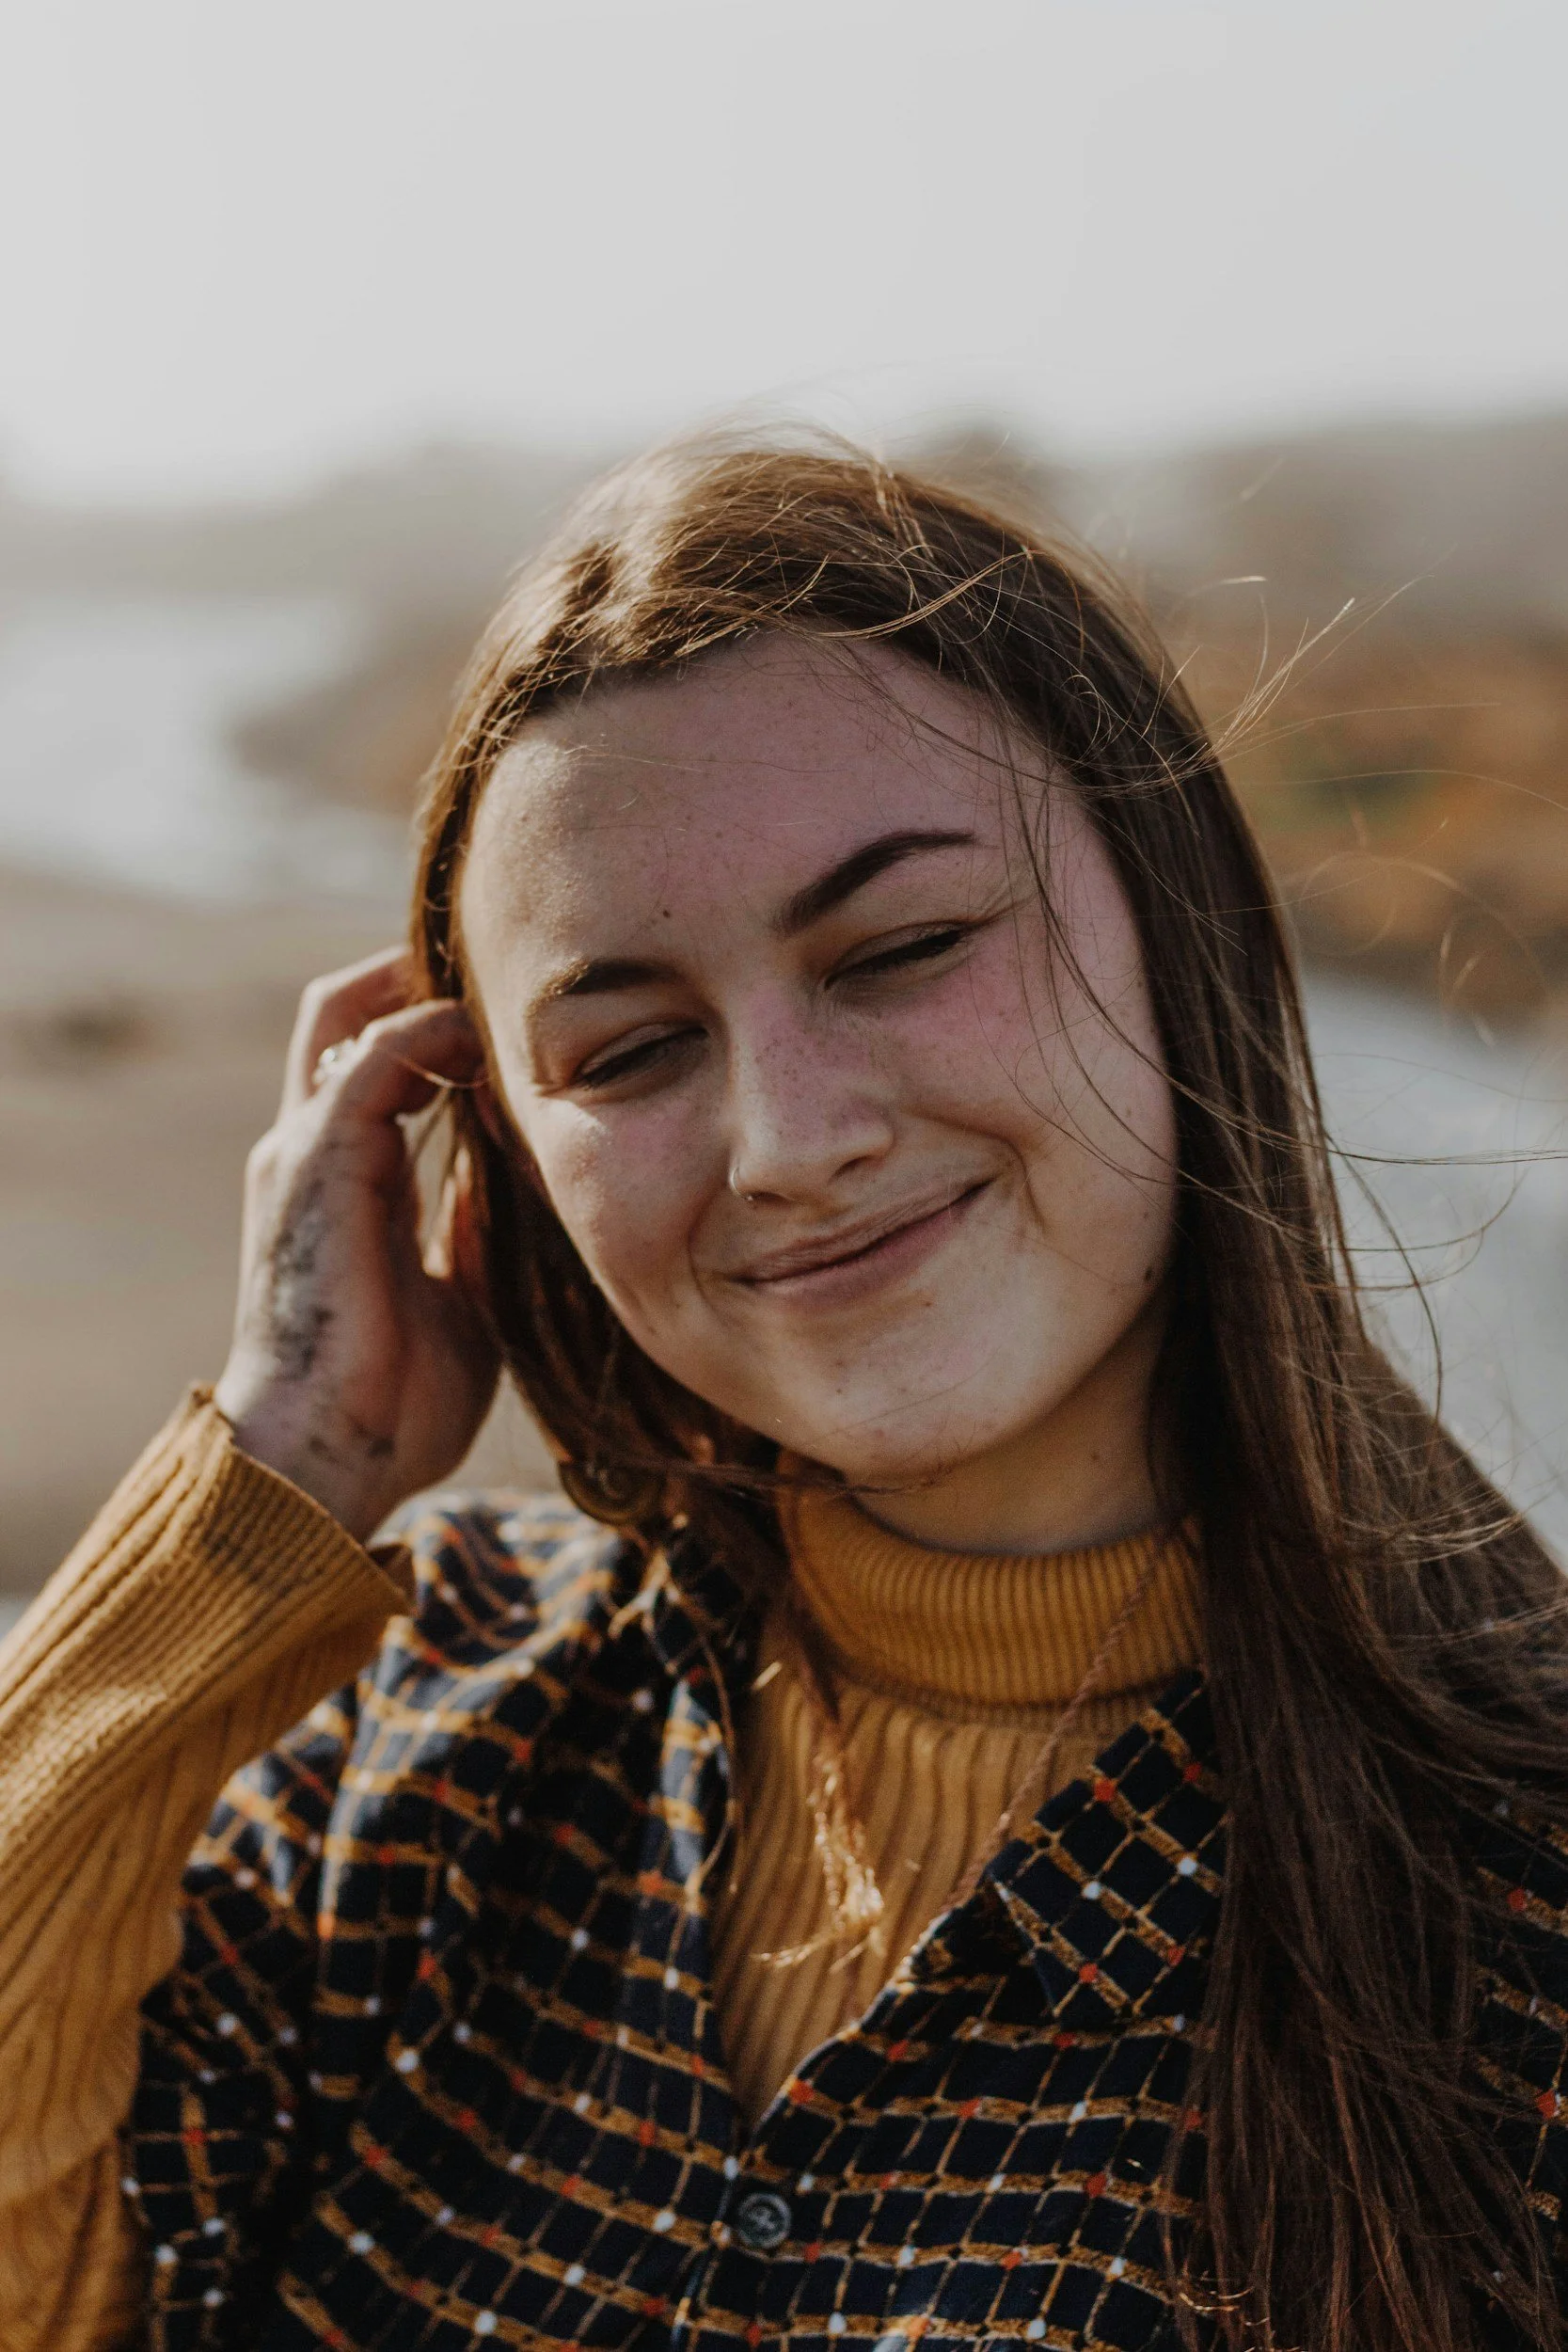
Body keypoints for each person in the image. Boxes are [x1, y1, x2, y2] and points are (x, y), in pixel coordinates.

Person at [3, 440, 1567, 2352]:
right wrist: (272, 1474)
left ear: (1175, 928)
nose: (788, 1140)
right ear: (492, 1143)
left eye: (900, 948)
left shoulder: (1516, 1888)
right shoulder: (387, 1763)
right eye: (630, 1045)